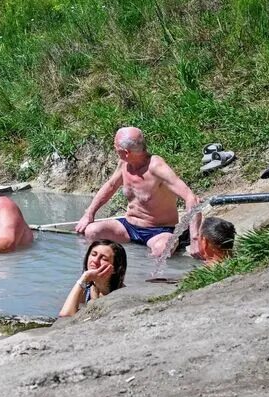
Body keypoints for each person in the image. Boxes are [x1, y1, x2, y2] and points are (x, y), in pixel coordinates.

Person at [74, 127, 198, 260]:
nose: (114, 149)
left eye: (115, 147)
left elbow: (191, 198)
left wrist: (195, 239)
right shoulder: (124, 163)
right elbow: (110, 186)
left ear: (126, 152)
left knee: (162, 250)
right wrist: (89, 214)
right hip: (129, 226)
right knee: (91, 232)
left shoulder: (156, 168)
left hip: (159, 230)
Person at [58, 240, 127, 317]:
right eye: (93, 254)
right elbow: (65, 314)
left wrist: (85, 277)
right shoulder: (86, 288)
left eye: (104, 258)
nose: (95, 260)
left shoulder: (121, 295)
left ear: (116, 268)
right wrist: (84, 278)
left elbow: (66, 315)